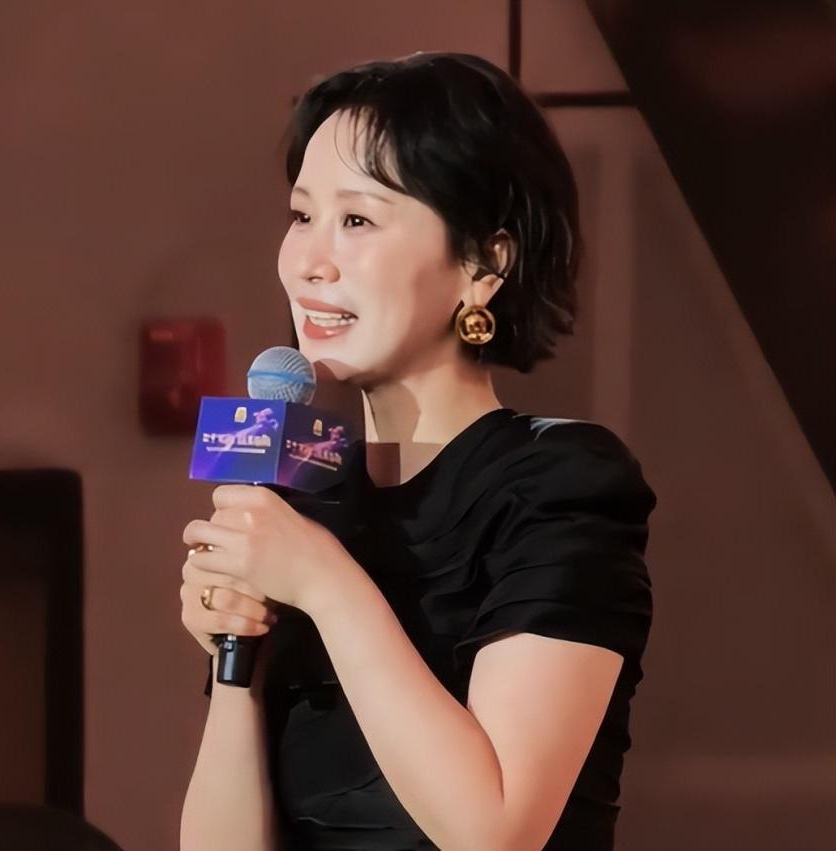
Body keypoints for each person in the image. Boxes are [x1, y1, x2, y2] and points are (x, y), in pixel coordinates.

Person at [179, 51, 656, 851]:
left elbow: (495, 830)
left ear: (483, 265)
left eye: (357, 221)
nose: (310, 262)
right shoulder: (299, 496)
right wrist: (241, 661)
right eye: (301, 216)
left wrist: (323, 582)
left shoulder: (562, 486)